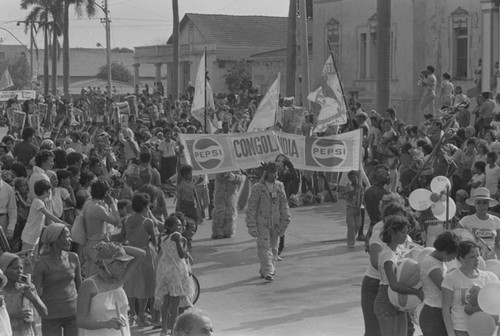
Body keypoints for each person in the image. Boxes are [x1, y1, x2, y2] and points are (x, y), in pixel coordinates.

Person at [76, 241, 145, 336]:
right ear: (107, 265)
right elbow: (81, 321)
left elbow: (141, 254)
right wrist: (106, 324)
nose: (125, 267)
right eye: (120, 263)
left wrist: (115, 247)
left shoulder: (118, 281)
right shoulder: (89, 285)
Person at [361, 194, 406, 336]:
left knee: (402, 329)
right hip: (375, 285)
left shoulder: (403, 232)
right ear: (386, 215)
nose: (399, 221)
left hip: (395, 287)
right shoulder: (379, 232)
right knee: (374, 331)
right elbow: (376, 262)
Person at [374, 215, 423, 336]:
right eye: (402, 232)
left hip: (398, 299)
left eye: (406, 232)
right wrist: (416, 292)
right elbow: (394, 285)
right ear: (391, 233)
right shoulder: (388, 256)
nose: (405, 236)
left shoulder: (399, 251)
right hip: (386, 299)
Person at [33, 223, 82, 336]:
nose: (70, 239)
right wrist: (42, 311)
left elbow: (79, 285)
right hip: (51, 316)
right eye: (67, 236)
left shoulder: (73, 257)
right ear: (55, 238)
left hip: (73, 313)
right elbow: (36, 292)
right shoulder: (41, 263)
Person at [442, 241, 498, 336]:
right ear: (461, 259)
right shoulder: (451, 278)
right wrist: (451, 333)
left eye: (478, 255)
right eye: (472, 257)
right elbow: (446, 309)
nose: (477, 260)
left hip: (482, 330)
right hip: (460, 329)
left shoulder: (488, 277)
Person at [246, 162, 291, 281]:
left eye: (276, 172)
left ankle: (266, 268)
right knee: (264, 247)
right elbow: (252, 208)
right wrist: (252, 226)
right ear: (266, 173)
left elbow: (284, 205)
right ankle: (268, 271)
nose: (274, 175)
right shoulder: (258, 188)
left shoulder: (279, 186)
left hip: (276, 223)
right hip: (262, 223)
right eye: (272, 172)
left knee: (274, 248)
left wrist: (285, 221)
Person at [120, 193, 157, 327]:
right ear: (145, 206)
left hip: (130, 252)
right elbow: (154, 239)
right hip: (145, 253)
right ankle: (141, 314)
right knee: (145, 285)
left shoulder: (127, 220)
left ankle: (132, 313)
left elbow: (123, 236)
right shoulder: (147, 221)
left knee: (131, 284)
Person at [155, 215, 195, 336]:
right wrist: (184, 243)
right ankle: (173, 331)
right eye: (177, 225)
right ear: (169, 227)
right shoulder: (177, 236)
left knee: (165, 302)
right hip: (175, 271)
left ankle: (163, 330)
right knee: (175, 303)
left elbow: (162, 252)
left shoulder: (163, 237)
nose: (180, 227)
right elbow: (181, 254)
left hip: (164, 270)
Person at [419, 231, 461, 336]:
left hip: (441, 312)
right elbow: (445, 287)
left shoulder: (439, 261)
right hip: (433, 314)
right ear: (446, 251)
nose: (454, 258)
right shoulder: (431, 263)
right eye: (453, 255)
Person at [0, 252, 48, 336]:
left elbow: (44, 313)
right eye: (15, 268)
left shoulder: (27, 288)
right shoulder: (1, 293)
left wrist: (33, 298)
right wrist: (12, 313)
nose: (19, 271)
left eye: (21, 268)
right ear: (4, 270)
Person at [81, 179, 121, 277]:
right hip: (97, 244)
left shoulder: (88, 202)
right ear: (105, 193)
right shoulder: (98, 208)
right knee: (99, 276)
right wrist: (112, 204)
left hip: (90, 242)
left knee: (90, 274)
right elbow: (116, 220)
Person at [22, 179, 68, 251]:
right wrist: (61, 222)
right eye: (49, 190)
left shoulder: (41, 202)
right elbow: (48, 215)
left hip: (35, 236)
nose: (51, 192)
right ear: (44, 191)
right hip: (29, 236)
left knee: (33, 260)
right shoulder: (37, 202)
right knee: (26, 259)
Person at [459, 187, 500, 260]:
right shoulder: (465, 221)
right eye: (478, 202)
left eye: (485, 202)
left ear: (488, 204)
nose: (482, 206)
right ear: (474, 203)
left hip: (492, 261)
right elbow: (456, 238)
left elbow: (497, 243)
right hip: (472, 261)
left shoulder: (496, 221)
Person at [211, 170, 244, 239]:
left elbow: (241, 179)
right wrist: (223, 174)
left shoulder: (235, 167)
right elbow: (217, 177)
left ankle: (228, 231)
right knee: (220, 212)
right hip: (220, 194)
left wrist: (235, 177)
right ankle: (217, 231)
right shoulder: (221, 166)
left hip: (231, 195)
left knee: (230, 213)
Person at [363, 164, 390, 242]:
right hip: (381, 230)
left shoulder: (368, 191)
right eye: (387, 175)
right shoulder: (386, 194)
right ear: (381, 178)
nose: (389, 177)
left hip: (371, 228)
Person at [343, 170, 364, 247]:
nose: (354, 179)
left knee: (358, 225)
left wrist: (359, 207)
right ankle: (351, 242)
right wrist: (356, 189)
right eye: (351, 178)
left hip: (357, 207)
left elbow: (361, 197)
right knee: (351, 225)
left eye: (355, 177)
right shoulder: (348, 186)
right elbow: (350, 195)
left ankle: (350, 235)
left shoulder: (361, 187)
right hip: (350, 208)